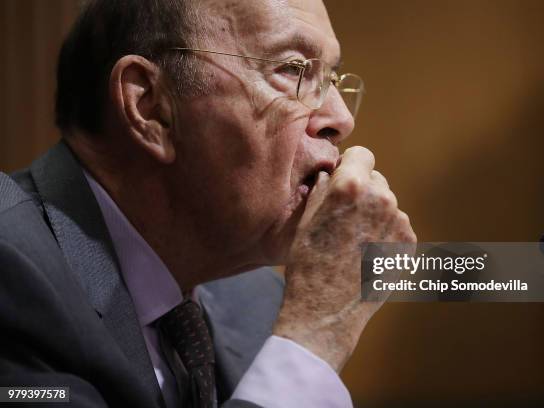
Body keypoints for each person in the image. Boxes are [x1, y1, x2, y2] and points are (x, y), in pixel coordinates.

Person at [0, 0, 416, 407]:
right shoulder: (12, 269)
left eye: (332, 79)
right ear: (151, 106)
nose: (341, 118)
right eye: (293, 69)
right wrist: (316, 336)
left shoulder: (255, 300)